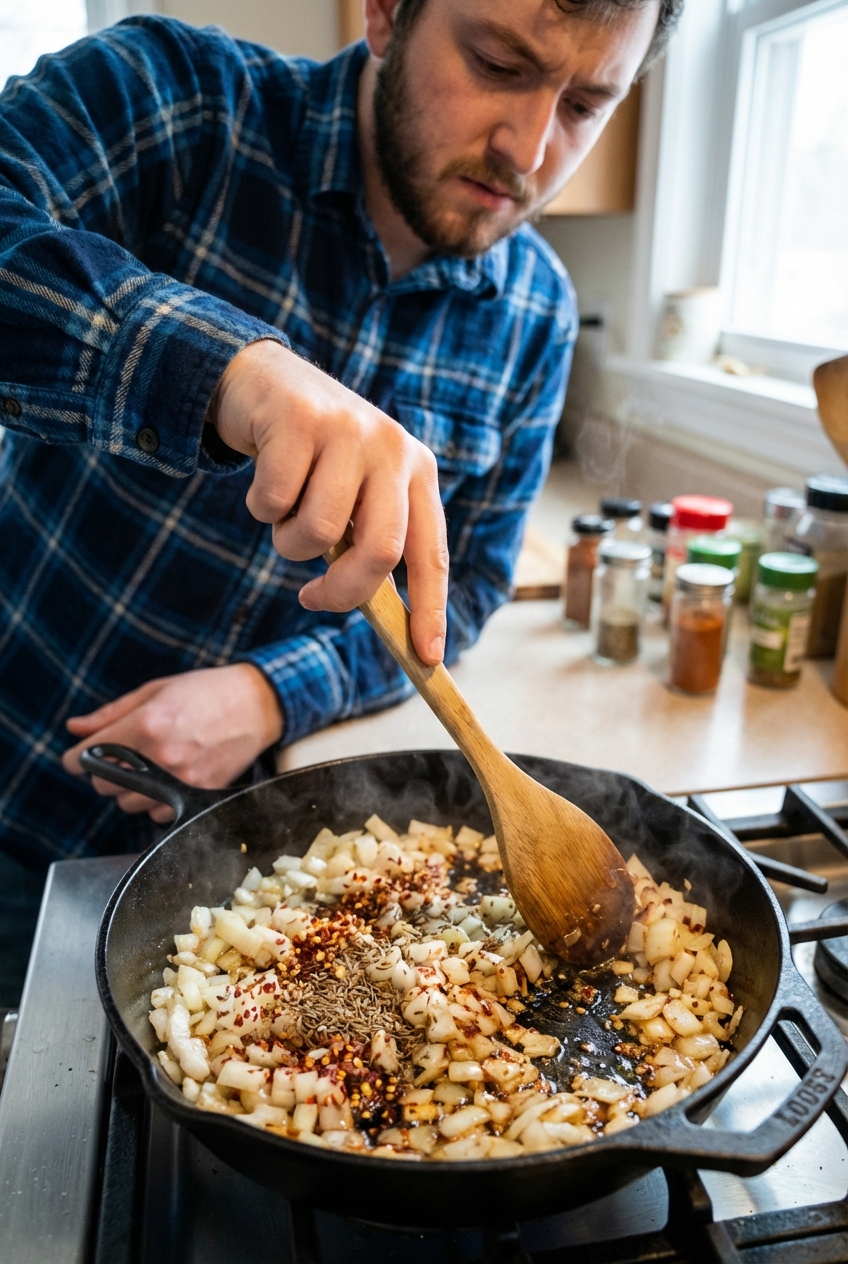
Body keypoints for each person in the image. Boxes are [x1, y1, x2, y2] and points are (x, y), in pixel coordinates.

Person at [0, 0, 679, 1004]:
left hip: (234, 880)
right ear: (383, 12)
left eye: (584, 103)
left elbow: (470, 587)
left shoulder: (534, 315)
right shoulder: (178, 98)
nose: (528, 148)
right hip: (15, 786)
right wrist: (229, 371)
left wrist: (270, 693)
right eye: (497, 61)